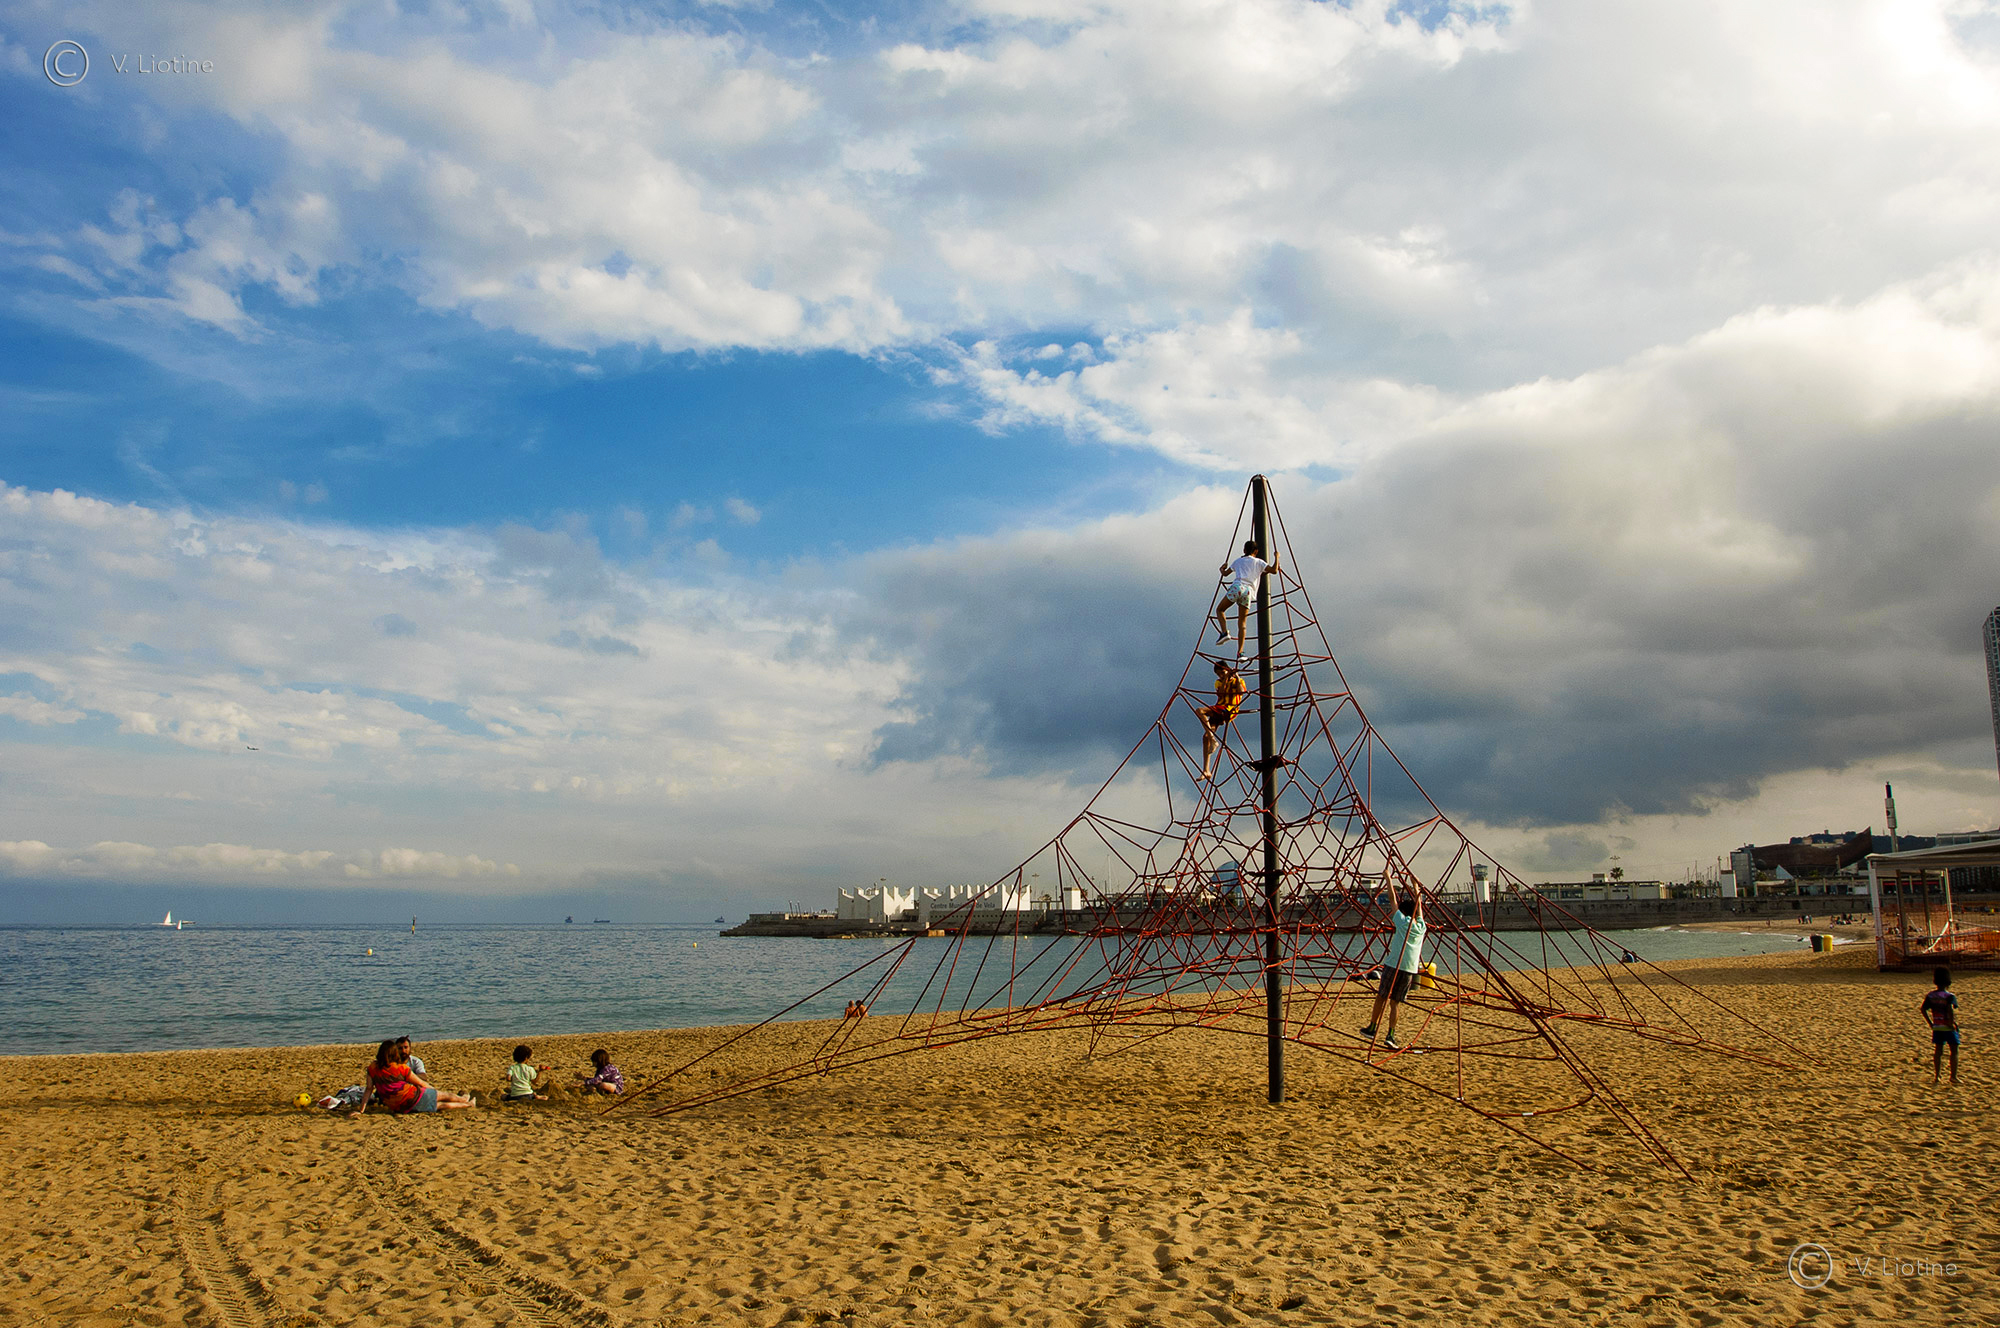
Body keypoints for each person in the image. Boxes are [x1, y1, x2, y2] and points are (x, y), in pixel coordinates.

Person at [1359, 879, 1427, 1050]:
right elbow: (1419, 906)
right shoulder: (1421, 927)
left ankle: (1372, 1028)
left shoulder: (1402, 922)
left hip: (1394, 965)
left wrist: (1388, 878)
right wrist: (1416, 887)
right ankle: (1390, 1035)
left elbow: (1392, 899)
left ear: (1403, 912)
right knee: (1395, 1003)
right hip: (1409, 969)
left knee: (1381, 996)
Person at [360, 1038, 475, 1114]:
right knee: (442, 1096)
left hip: (399, 1107)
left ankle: (465, 1102)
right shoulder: (401, 1068)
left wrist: (361, 1110)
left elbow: (369, 1089)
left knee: (439, 1105)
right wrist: (434, 1091)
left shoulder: (372, 1068)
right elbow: (421, 1083)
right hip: (412, 1097)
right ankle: (465, 1101)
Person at [1213, 540, 1280, 660]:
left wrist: (1222, 568)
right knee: (1242, 623)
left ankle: (1224, 633)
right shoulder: (1259, 562)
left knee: (1220, 610)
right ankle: (1240, 652)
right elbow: (1274, 570)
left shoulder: (1238, 561)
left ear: (1244, 550)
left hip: (1238, 587)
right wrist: (1277, 557)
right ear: (1256, 551)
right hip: (1248, 592)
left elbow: (1225, 574)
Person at [1197, 659, 1247, 780]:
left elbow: (1241, 692)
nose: (1220, 676)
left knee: (1200, 710)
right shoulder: (1218, 682)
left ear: (1227, 670)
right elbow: (1221, 693)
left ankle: (1213, 740)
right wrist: (1225, 678)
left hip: (1229, 709)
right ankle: (1206, 770)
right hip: (1219, 708)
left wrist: (1236, 676)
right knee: (1205, 737)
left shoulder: (1237, 680)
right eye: (1218, 674)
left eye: (1222, 673)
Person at [1922, 967, 1960, 1086]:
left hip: (1937, 1027)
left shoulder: (1931, 995)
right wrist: (1951, 1024)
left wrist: (1930, 1023)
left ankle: (1937, 1076)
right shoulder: (1949, 996)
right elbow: (1950, 1010)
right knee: (1954, 1051)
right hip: (1947, 1027)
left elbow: (1923, 1009)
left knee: (1938, 1051)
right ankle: (1953, 1076)